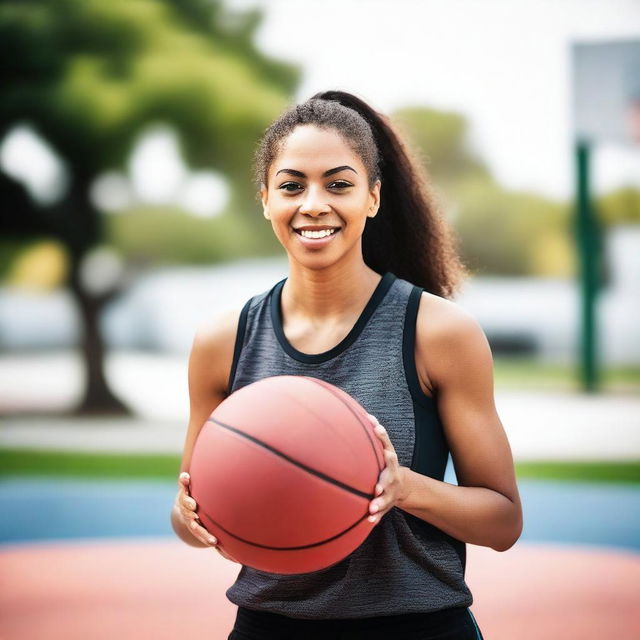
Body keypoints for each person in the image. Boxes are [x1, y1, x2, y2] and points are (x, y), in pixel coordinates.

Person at [170, 89, 523, 639]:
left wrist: (403, 488)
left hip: (416, 627)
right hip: (269, 626)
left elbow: (503, 520)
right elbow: (190, 514)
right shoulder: (224, 340)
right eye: (291, 185)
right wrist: (193, 517)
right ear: (265, 198)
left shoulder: (439, 332)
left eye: (338, 184)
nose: (314, 203)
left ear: (373, 198)